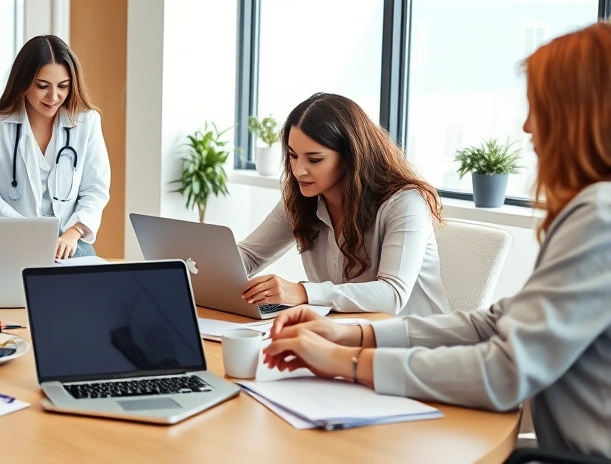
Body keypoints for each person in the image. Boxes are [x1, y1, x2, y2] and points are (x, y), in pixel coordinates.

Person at [263, 22, 611, 457]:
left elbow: (504, 372)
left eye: (540, 106)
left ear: (585, 114)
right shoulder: (596, 208)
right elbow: (494, 322)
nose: (526, 126)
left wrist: (349, 363)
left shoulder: (600, 215)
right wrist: (350, 335)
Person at [237, 93, 449, 316]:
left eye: (315, 159)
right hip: (342, 332)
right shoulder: (301, 199)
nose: (298, 170)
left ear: (351, 156)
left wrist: (303, 292)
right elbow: (250, 255)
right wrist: (204, 272)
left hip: (415, 341)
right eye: (293, 156)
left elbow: (393, 294)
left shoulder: (405, 203)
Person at [0, 35, 110, 259]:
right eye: (42, 86)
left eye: (63, 86)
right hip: (6, 233)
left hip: (65, 237)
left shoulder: (87, 122)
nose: (54, 97)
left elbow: (95, 189)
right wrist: (30, 233)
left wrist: (73, 233)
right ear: (24, 82)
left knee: (88, 281)